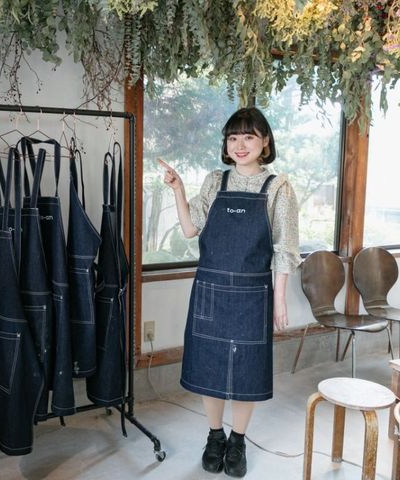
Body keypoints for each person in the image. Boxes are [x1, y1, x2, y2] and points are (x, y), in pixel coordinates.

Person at [158, 107, 300, 477]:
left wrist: (279, 300)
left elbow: (285, 248)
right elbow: (190, 229)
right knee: (210, 367)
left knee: (246, 371)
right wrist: (179, 190)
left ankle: (238, 440)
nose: (240, 145)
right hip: (210, 291)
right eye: (233, 137)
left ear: (264, 142)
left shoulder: (278, 188)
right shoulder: (214, 182)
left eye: (249, 137)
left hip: (253, 294)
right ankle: (214, 436)